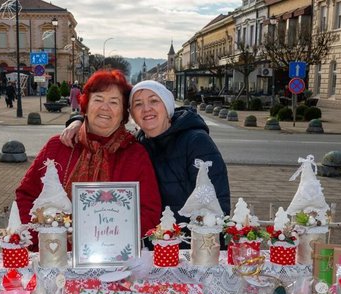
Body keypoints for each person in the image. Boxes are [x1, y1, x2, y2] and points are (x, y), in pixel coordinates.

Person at [16, 69, 162, 238]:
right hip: (55, 253)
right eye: (98, 99)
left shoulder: (135, 154)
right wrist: (42, 238)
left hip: (113, 257)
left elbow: (150, 212)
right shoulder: (58, 146)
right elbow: (26, 194)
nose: (105, 107)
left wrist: (110, 238)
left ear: (123, 112)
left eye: (114, 102)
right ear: (85, 106)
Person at [61, 80, 230, 223]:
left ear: (167, 107)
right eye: (138, 104)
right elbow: (105, 128)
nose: (146, 108)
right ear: (132, 114)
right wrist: (79, 121)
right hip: (153, 244)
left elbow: (216, 203)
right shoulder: (137, 143)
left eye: (154, 101)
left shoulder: (195, 141)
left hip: (189, 247)